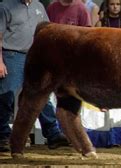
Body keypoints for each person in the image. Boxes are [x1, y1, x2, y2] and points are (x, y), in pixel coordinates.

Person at [0, 0, 69, 152]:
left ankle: (53, 134)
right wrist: (0, 61)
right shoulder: (5, 6)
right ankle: (2, 135)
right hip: (12, 54)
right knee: (7, 95)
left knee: (41, 94)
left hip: (35, 56)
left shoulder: (38, 6)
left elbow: (47, 30)